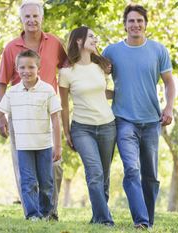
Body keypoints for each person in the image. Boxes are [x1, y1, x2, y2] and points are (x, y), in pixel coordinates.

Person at [102, 4, 176, 228]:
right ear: (124, 25)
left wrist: (169, 108)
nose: (135, 25)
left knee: (150, 176)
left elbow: (169, 83)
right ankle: (141, 221)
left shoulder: (158, 50)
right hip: (123, 120)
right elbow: (95, 79)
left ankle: (148, 220)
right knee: (131, 170)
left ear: (145, 24)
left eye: (139, 21)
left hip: (152, 122)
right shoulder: (111, 51)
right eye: (131, 21)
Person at [0, 50, 61, 220]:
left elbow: (55, 119)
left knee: (47, 183)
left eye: (31, 67)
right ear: (17, 69)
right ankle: (33, 215)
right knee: (28, 182)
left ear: (38, 68)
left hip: (44, 145)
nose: (27, 71)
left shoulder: (47, 90)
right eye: (22, 67)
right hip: (23, 146)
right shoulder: (12, 92)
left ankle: (48, 213)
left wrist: (58, 145)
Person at [0, 0, 67, 219]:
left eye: (35, 16)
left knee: (54, 166)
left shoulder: (55, 43)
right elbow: (1, 83)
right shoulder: (11, 48)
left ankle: (51, 211)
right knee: (24, 169)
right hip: (21, 117)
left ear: (42, 18)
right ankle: (32, 213)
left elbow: (69, 69)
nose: (31, 20)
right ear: (21, 19)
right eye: (27, 16)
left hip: (48, 114)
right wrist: (1, 118)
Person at [59, 26, 116, 226]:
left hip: (108, 126)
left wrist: (119, 95)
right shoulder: (66, 73)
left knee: (105, 176)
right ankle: (105, 220)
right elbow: (64, 105)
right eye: (91, 36)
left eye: (95, 37)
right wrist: (66, 132)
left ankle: (98, 216)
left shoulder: (101, 66)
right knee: (95, 173)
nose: (95, 39)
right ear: (78, 41)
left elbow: (102, 93)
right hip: (82, 128)